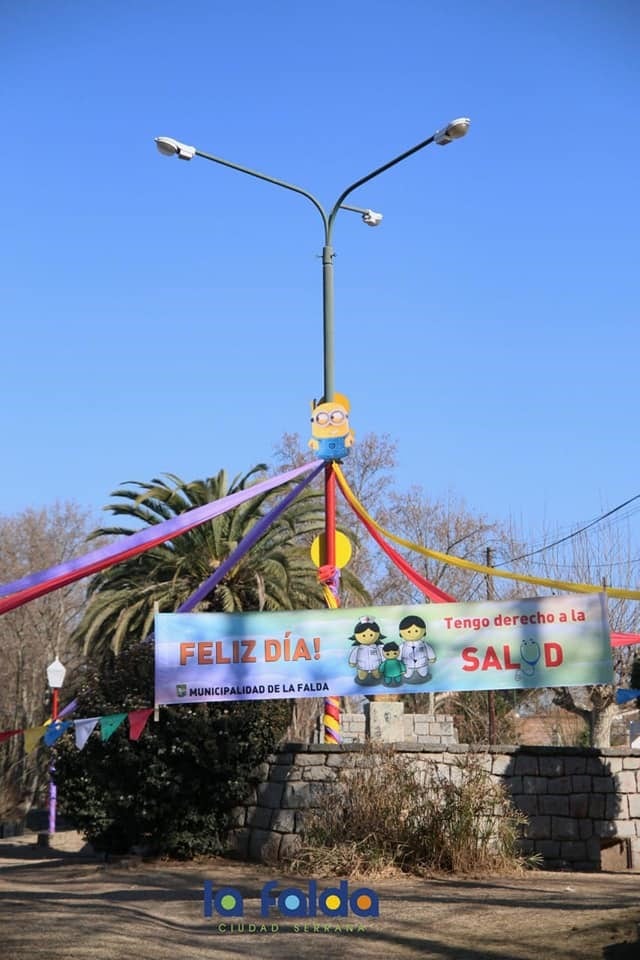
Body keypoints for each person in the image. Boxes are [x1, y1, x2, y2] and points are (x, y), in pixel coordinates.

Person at [398, 614, 436, 683]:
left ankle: (423, 674)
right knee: (407, 675)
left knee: (424, 673)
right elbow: (398, 653)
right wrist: (398, 660)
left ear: (424, 632)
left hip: (422, 663)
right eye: (408, 631)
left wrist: (432, 657)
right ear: (401, 633)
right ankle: (407, 675)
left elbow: (429, 650)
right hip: (407, 664)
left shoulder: (424, 644)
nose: (412, 634)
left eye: (416, 631)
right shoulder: (402, 646)